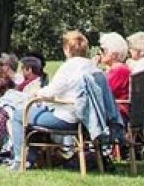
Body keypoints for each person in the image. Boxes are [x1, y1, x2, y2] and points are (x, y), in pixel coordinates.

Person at [7, 31, 97, 170]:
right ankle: (31, 159)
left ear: (67, 49)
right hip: (85, 118)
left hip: (66, 118)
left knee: (20, 114)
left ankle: (19, 161)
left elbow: (51, 91)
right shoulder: (92, 67)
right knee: (35, 112)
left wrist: (37, 92)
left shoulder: (69, 66)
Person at [98, 31, 132, 120]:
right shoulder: (119, 69)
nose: (100, 53)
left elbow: (100, 92)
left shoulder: (119, 70)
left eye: (103, 50)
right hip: (117, 110)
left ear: (114, 54)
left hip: (117, 112)